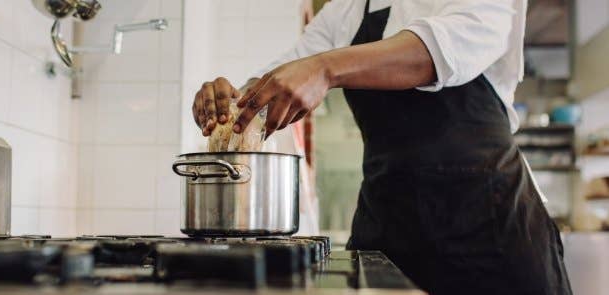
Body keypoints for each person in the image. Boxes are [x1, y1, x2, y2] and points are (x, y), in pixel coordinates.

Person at [191, 0, 572, 294]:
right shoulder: (347, 9)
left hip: (489, 226)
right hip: (390, 228)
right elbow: (285, 79)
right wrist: (236, 98)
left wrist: (325, 69)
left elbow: (440, 50)